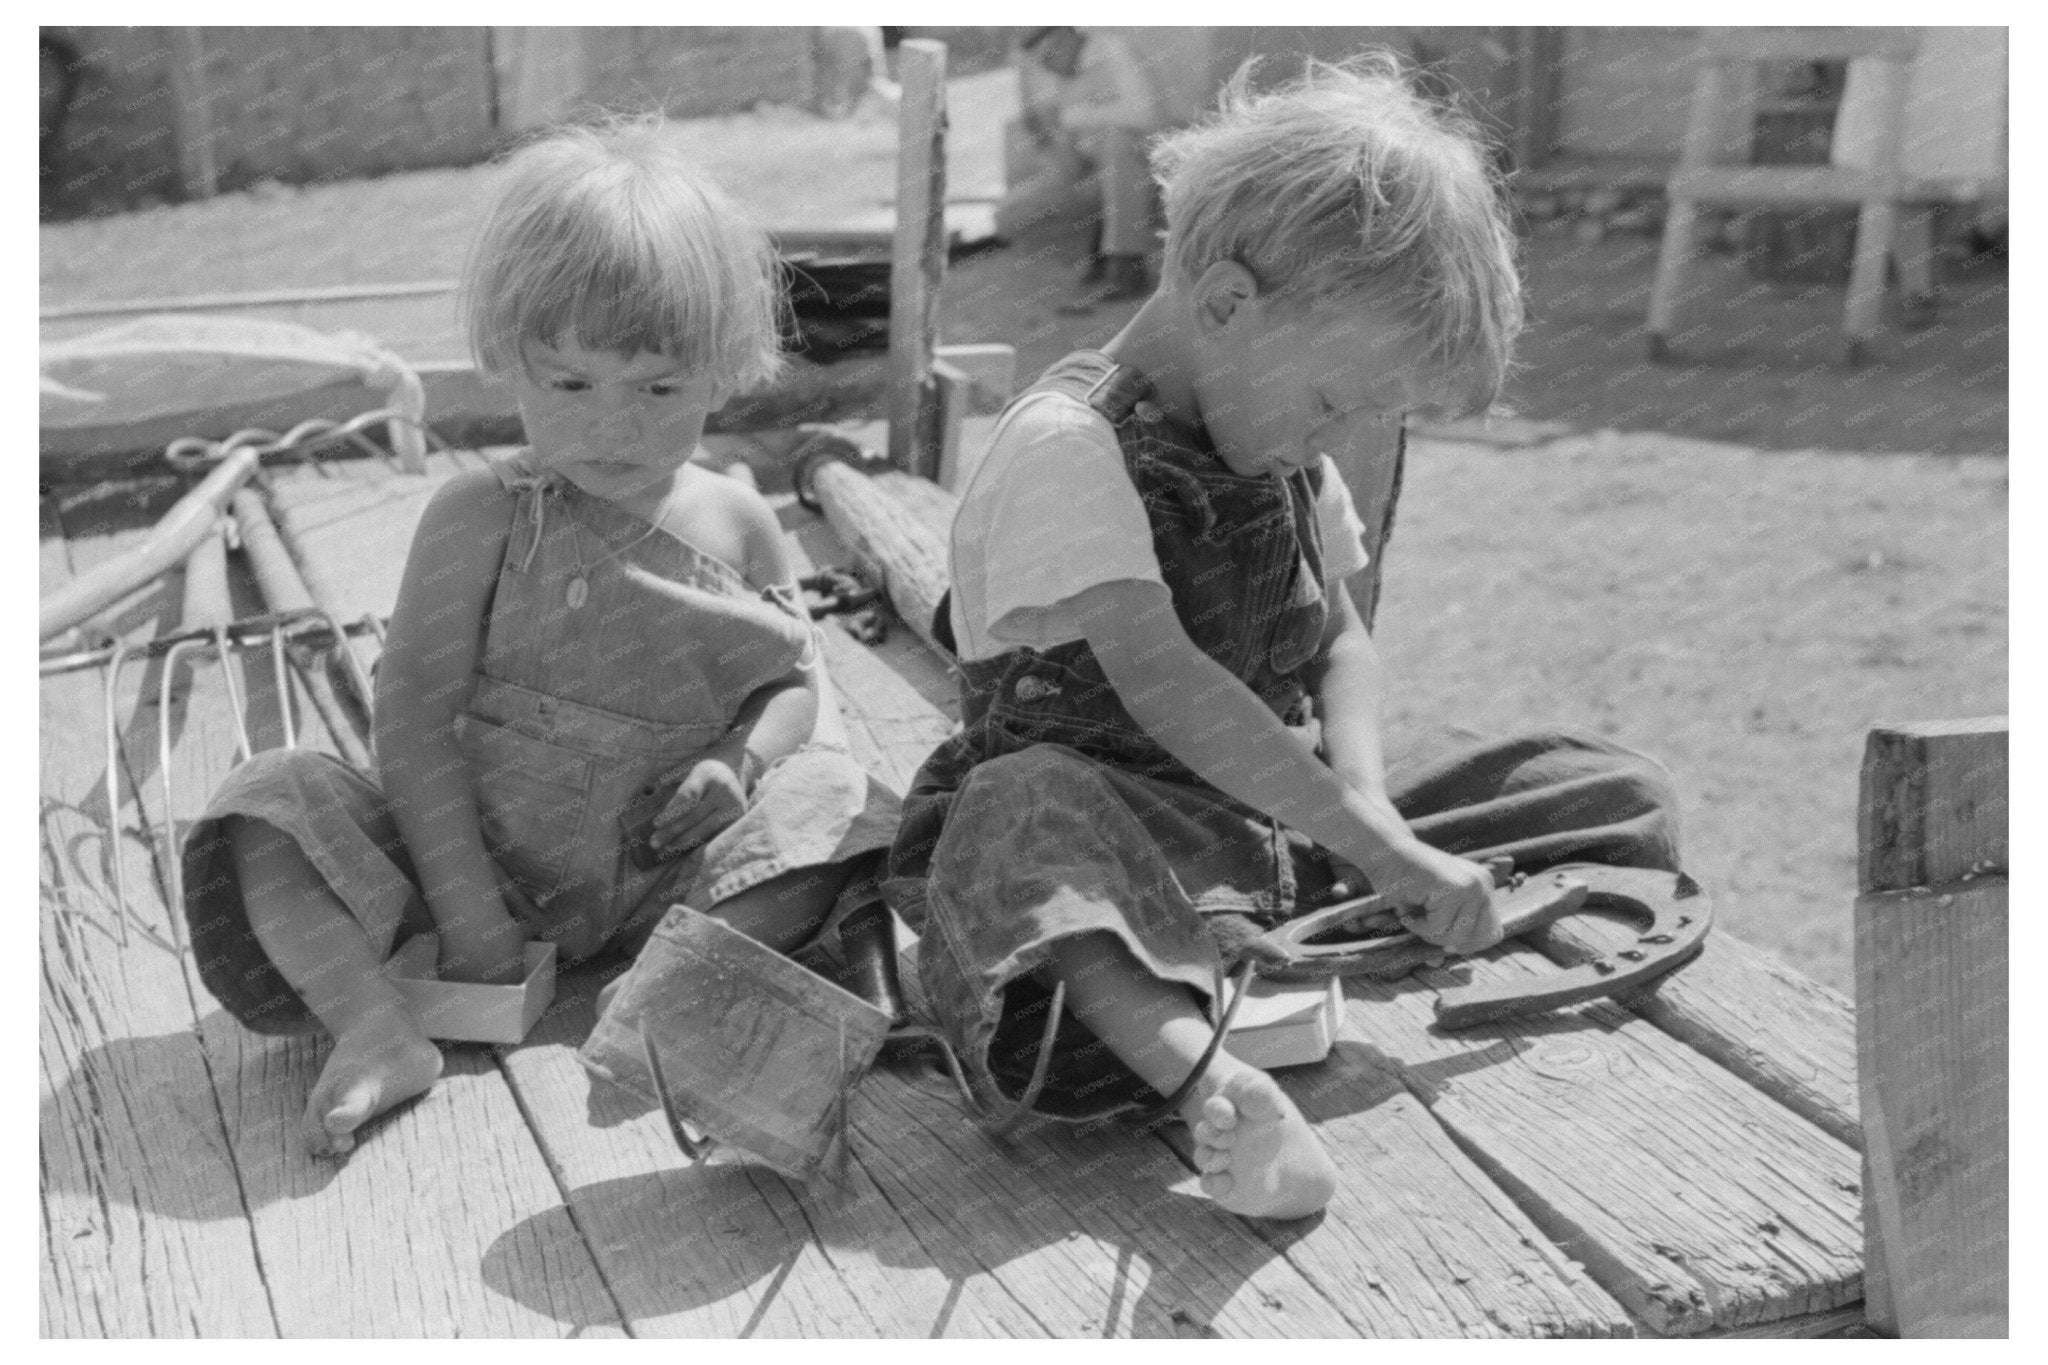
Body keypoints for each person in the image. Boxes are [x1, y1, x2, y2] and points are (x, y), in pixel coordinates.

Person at [886, 54, 1681, 1220]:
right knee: (1018, 813)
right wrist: (1373, 846)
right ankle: (1211, 1082)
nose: (1342, 436)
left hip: (1280, 832)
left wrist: (1371, 815)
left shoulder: (1279, 449)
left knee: (1607, 789)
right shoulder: (1066, 447)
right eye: (1332, 403)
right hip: (1119, 839)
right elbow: (1168, 690)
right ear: (1223, 305)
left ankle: (1267, 958)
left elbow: (1341, 643)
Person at [179, 119, 902, 1157]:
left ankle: (673, 996)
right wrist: (468, 911)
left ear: (724, 369)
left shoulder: (736, 519)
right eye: (570, 385)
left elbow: (790, 685)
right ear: (505, 361)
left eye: (659, 388)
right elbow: (415, 718)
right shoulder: (481, 516)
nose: (615, 425)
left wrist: (737, 766)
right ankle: (377, 1032)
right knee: (271, 800)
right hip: (472, 857)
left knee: (842, 803)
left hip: (667, 874)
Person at [1000, 26, 1169, 307]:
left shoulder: (1112, 49)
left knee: (1120, 146)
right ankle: (1091, 254)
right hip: (1092, 178)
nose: (1044, 65)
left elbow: (1146, 115)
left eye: (1046, 55)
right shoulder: (1049, 77)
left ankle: (1127, 262)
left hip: (1141, 176)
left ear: (1061, 38)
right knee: (1012, 215)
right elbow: (1064, 166)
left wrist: (1072, 116)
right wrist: (1050, 140)